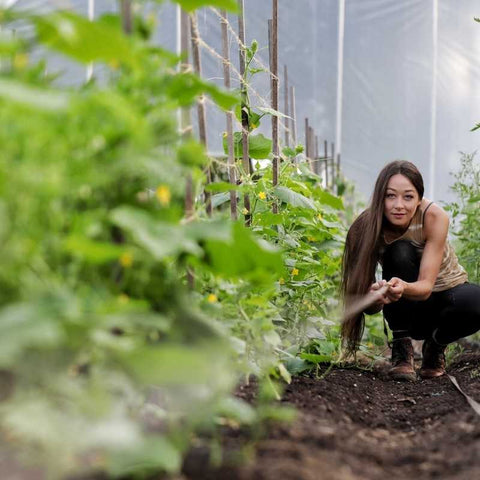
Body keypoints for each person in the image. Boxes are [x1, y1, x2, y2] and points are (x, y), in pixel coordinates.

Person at [341, 160, 480, 381]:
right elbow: (369, 308)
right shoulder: (364, 229)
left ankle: (435, 346)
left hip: (443, 298)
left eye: (408, 196)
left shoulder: (434, 217)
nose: (399, 205)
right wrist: (377, 294)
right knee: (399, 251)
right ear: (380, 197)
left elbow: (425, 287)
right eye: (390, 196)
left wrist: (403, 286)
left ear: (419, 199)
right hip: (408, 311)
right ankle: (402, 347)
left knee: (476, 302)